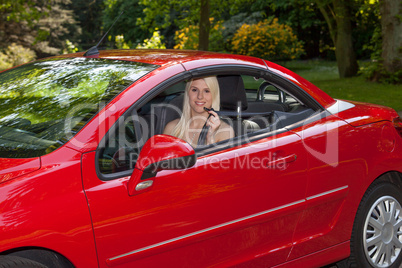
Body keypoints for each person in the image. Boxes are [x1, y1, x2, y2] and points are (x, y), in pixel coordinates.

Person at [163, 76, 234, 147]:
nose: (200, 96)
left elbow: (215, 158)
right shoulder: (171, 128)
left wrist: (210, 140)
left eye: (206, 91)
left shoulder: (225, 132)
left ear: (214, 95)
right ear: (188, 93)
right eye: (194, 90)